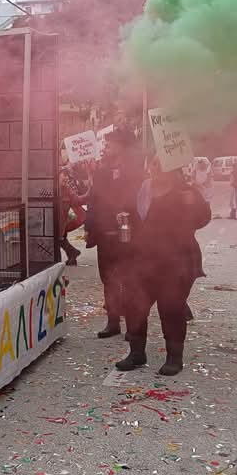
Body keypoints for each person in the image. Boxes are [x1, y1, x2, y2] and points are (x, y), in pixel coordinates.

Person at [116, 161, 210, 375]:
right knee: (134, 305)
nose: (155, 168)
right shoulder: (144, 189)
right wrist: (122, 216)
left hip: (177, 260)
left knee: (171, 308)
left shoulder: (186, 191)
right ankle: (136, 353)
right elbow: (130, 213)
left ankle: (174, 358)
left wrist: (192, 205)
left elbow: (203, 219)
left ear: (172, 166)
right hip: (144, 258)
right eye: (153, 164)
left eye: (160, 164)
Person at [85, 127, 146, 339]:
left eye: (109, 144)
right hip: (105, 234)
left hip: (128, 236)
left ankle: (133, 326)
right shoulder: (101, 171)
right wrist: (89, 227)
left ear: (121, 147)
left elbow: (141, 201)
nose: (105, 148)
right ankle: (113, 322)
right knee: (108, 279)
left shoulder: (135, 172)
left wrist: (129, 215)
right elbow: (93, 201)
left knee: (129, 280)